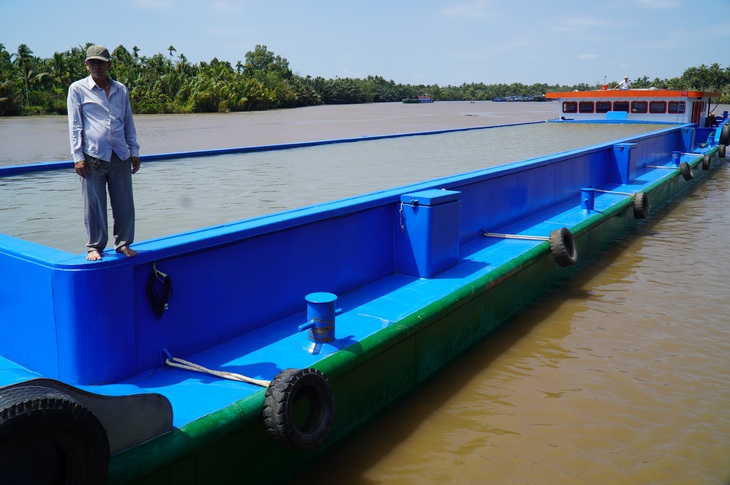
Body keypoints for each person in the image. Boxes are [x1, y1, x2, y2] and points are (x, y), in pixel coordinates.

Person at [67, 45, 141, 261]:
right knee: (94, 204)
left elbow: (128, 122)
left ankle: (124, 244)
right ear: (86, 65)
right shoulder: (78, 89)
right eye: (93, 62)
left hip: (120, 153)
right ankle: (95, 246)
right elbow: (75, 126)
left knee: (124, 203)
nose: (97, 66)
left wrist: (134, 150)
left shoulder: (121, 89)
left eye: (101, 62)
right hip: (93, 156)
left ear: (109, 64)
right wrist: (78, 157)